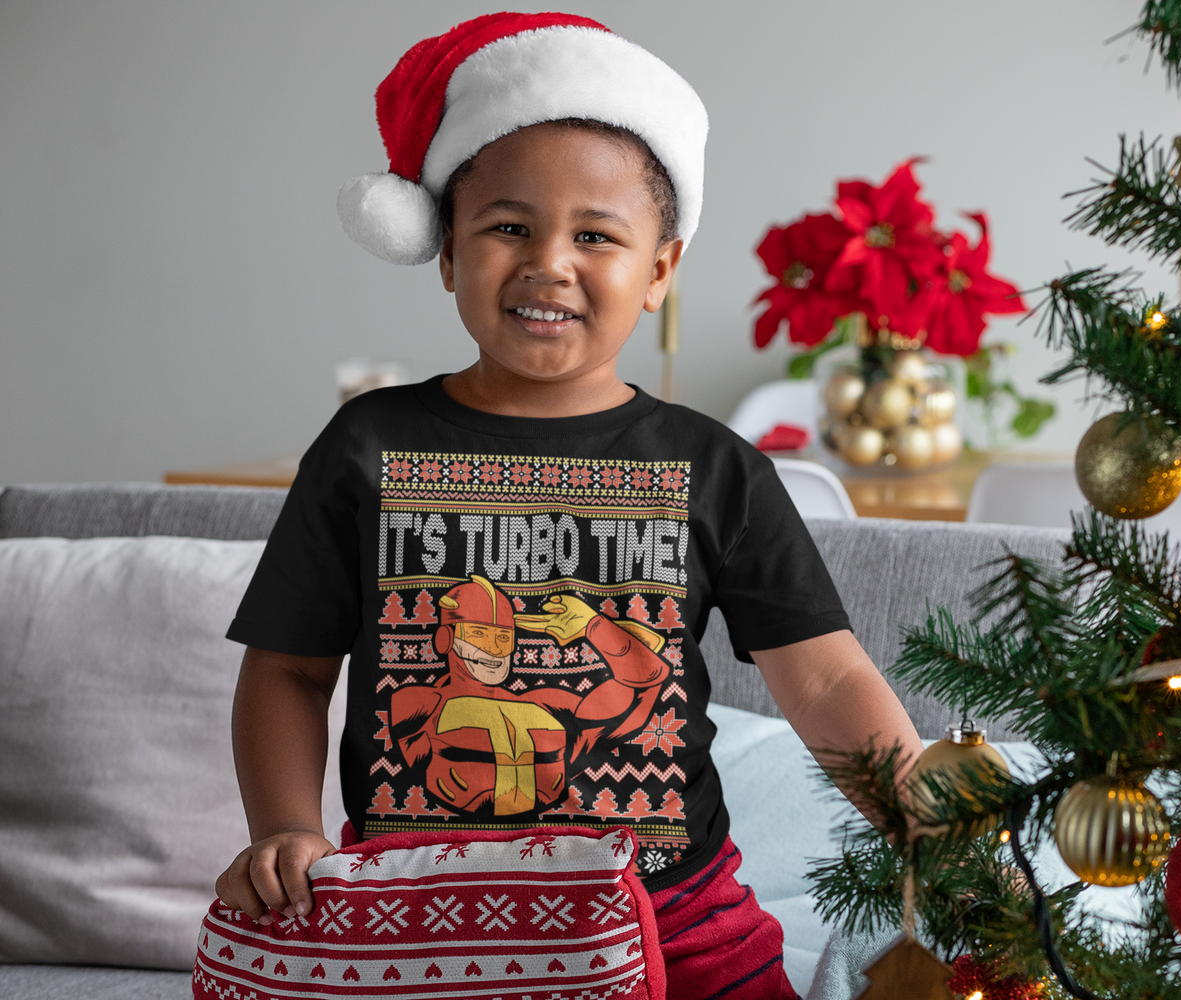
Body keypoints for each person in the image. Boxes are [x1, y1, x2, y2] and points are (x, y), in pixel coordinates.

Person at [214, 12, 923, 999]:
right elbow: (288, 670)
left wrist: (925, 814)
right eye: (509, 226)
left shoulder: (714, 469)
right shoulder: (365, 448)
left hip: (680, 918)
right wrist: (287, 829)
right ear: (448, 253)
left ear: (660, 272)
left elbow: (825, 680)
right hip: (422, 917)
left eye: (596, 234)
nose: (550, 260)